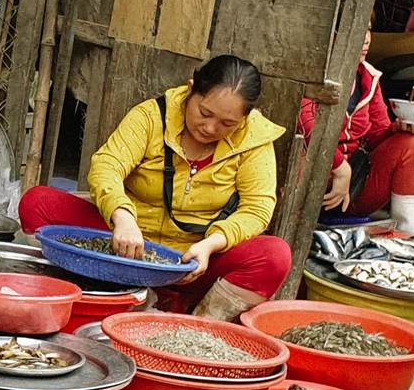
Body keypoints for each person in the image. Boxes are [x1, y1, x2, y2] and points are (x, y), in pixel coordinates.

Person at [18, 54, 291, 320]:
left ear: (246, 117)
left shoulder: (254, 140)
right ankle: (89, 293)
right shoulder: (151, 116)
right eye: (204, 113)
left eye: (227, 123)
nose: (210, 128)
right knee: (37, 203)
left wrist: (210, 245)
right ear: (190, 89)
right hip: (123, 249)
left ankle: (197, 325)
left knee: (274, 256)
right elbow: (107, 165)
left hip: (194, 264)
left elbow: (256, 210)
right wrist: (122, 216)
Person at [299, 29, 414, 234]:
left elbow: (376, 135)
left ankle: (406, 236)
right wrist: (340, 168)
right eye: (360, 28)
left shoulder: (368, 77)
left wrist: (397, 129)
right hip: (306, 185)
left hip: (353, 188)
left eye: (368, 29)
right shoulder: (307, 70)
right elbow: (304, 123)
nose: (367, 38)